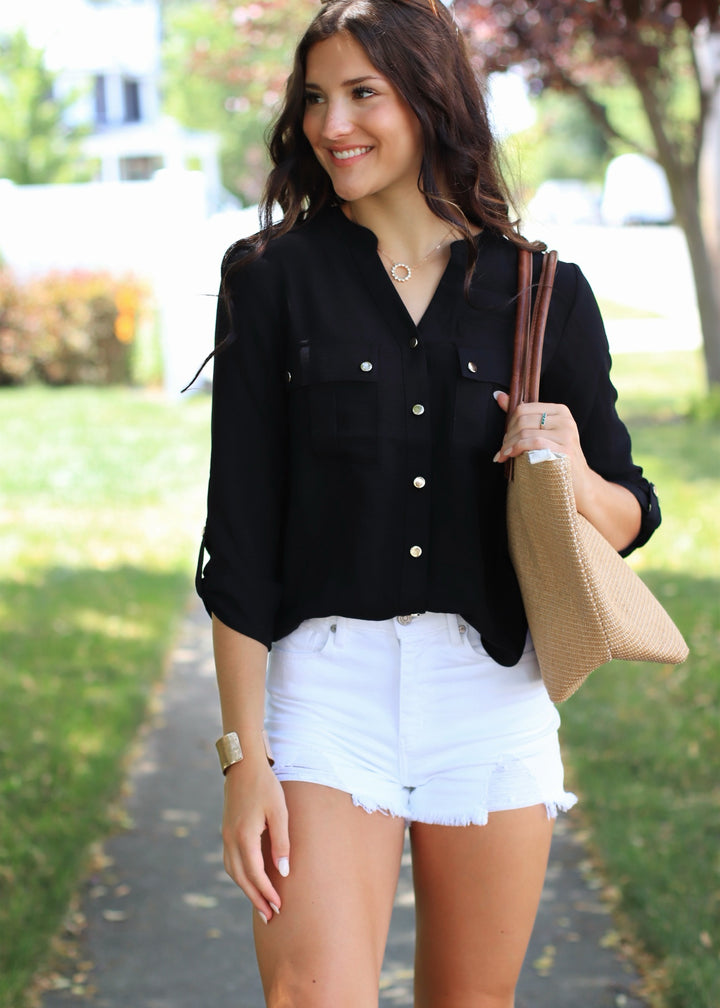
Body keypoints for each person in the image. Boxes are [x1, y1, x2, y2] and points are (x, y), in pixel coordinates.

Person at [195, 1, 661, 1005]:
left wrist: (573, 473)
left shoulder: (543, 293)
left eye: (365, 94)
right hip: (323, 695)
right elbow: (235, 544)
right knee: (312, 995)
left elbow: (630, 517)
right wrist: (245, 761)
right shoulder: (271, 283)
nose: (333, 125)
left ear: (433, 98)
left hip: (490, 699)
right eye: (316, 98)